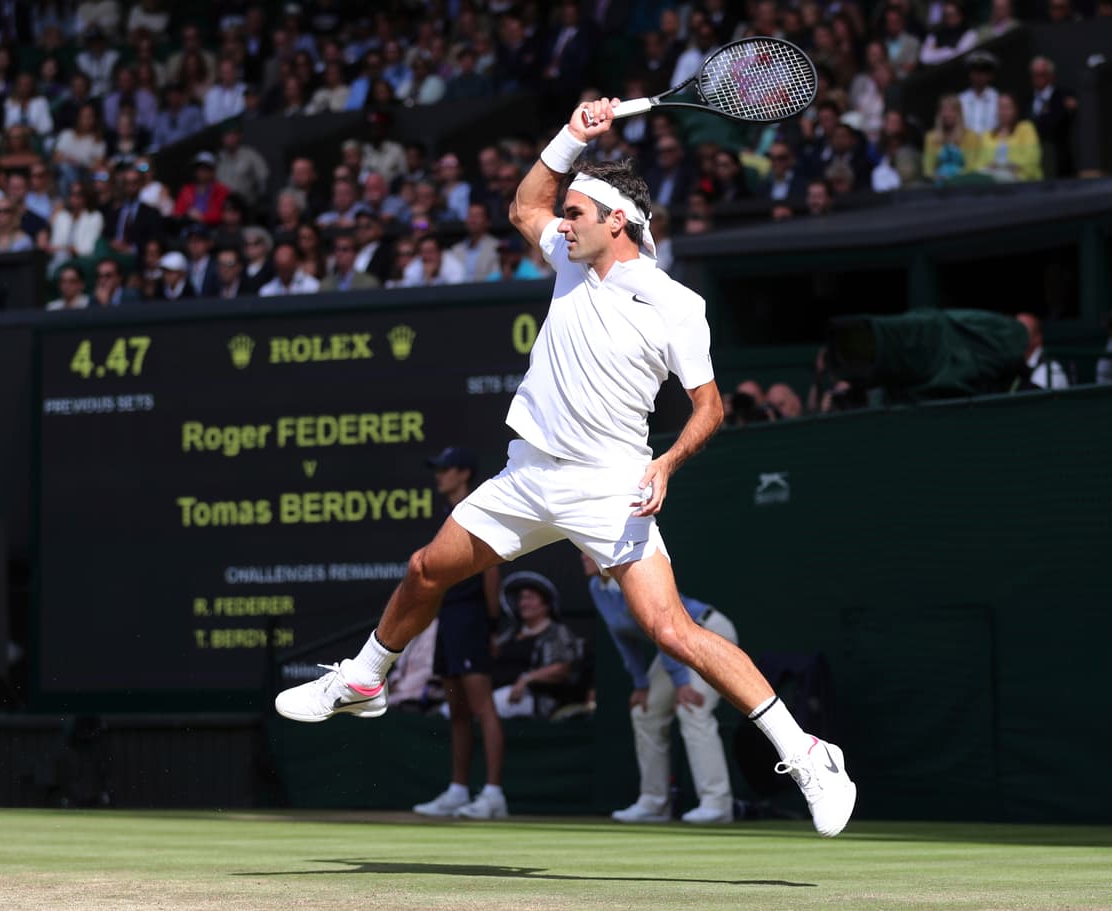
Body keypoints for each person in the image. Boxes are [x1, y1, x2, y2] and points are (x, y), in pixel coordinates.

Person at [274, 97, 857, 838]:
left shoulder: (677, 305)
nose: (563, 221)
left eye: (578, 212)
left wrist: (669, 464)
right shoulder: (570, 257)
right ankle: (363, 679)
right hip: (527, 475)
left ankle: (809, 754)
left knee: (671, 630)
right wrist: (572, 136)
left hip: (609, 484)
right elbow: (525, 202)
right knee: (426, 568)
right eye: (568, 213)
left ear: (618, 221)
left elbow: (708, 407)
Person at [582, 553, 736, 824]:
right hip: (674, 646)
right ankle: (654, 803)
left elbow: (665, 630)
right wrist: (640, 683)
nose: (582, 555)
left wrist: (682, 684)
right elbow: (622, 637)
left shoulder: (632, 581)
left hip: (708, 633)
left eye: (586, 549)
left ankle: (717, 803)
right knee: (645, 712)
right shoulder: (598, 588)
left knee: (691, 709)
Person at [410, 446, 508, 822]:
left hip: (472, 618)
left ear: (464, 473)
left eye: (445, 469)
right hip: (449, 618)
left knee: (483, 708)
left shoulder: (477, 507)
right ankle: (458, 789)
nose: (439, 475)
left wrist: (493, 625)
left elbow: (491, 570)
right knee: (457, 710)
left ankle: (495, 793)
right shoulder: (449, 514)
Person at [486, 572, 585, 721]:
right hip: (496, 692)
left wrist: (525, 680)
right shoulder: (510, 634)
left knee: (482, 709)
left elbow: (563, 669)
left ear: (546, 604)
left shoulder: (557, 632)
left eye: (530, 598)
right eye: (521, 598)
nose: (523, 603)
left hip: (534, 699)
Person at [977, 95, 1042, 182]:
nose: (1003, 112)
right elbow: (979, 163)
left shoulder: (1026, 128)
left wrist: (1003, 165)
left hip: (1021, 179)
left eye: (1007, 107)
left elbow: (1031, 158)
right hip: (990, 176)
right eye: (1001, 107)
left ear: (1015, 110)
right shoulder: (987, 135)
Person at [1015, 313, 1068, 390]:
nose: (1014, 337)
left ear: (1037, 338)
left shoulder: (1050, 370)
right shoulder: (1014, 364)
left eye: (1021, 332)